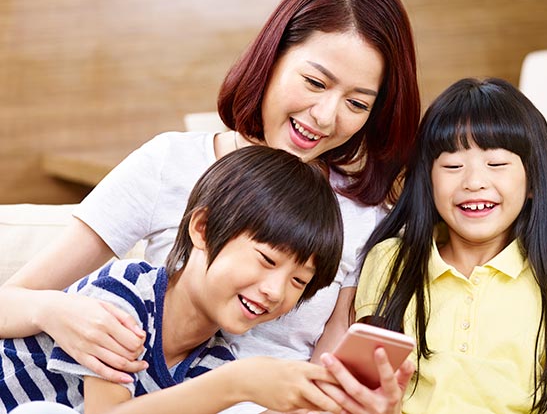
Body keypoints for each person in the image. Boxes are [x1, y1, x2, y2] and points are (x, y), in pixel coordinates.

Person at [0, 0, 420, 412]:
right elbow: (9, 303)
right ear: (272, 58)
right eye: (315, 82)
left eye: (357, 103)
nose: (326, 117)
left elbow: (324, 381)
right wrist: (57, 311)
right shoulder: (170, 164)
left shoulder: (365, 216)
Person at [1, 146, 347, 414]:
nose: (275, 291)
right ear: (203, 229)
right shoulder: (126, 295)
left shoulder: (213, 361)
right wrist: (237, 384)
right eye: (267, 260)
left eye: (298, 282)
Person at [355, 77, 547, 413]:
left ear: (532, 182)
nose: (474, 182)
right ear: (427, 180)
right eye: (453, 166)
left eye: (496, 164)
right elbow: (363, 388)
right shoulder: (392, 262)